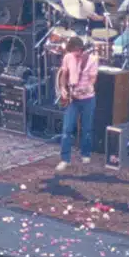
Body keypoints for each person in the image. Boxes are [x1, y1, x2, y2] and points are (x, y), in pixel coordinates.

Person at [55, 37, 100, 170]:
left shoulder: (91, 60)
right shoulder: (68, 57)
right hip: (72, 99)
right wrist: (62, 88)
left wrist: (84, 89)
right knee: (67, 129)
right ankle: (65, 159)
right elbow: (64, 74)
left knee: (86, 129)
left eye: (74, 52)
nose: (72, 55)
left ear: (79, 50)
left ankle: (85, 153)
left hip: (87, 98)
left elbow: (93, 79)